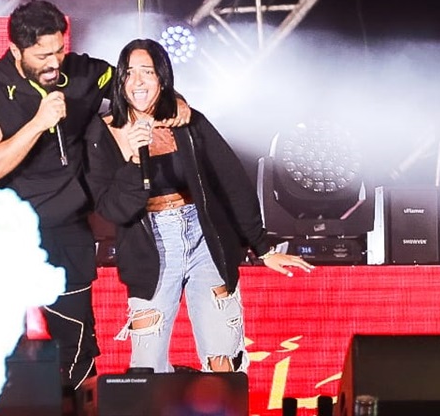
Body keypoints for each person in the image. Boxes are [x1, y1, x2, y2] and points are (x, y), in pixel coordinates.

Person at [0, 1, 189, 390]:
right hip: (6, 232)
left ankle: (79, 404)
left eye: (59, 51)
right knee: (3, 345)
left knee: (78, 343)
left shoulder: (84, 73)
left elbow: (136, 87)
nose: (54, 63)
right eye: (42, 56)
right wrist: (38, 123)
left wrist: (173, 100)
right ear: (16, 50)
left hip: (66, 229)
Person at [84, 38, 314, 374]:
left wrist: (262, 247)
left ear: (162, 79)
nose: (137, 81)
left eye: (147, 72)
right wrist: (135, 159)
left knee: (223, 360)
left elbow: (232, 181)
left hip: (204, 238)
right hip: (150, 248)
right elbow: (112, 209)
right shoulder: (103, 133)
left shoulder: (186, 122)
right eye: (129, 73)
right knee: (147, 367)